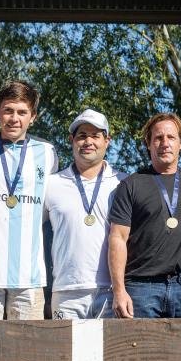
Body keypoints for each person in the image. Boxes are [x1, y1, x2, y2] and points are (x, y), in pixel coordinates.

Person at [0, 81, 58, 320]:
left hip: (30, 276)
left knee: (28, 353)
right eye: (8, 110)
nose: (14, 118)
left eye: (22, 112)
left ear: (33, 117)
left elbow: (51, 207)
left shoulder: (47, 153)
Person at [109, 113, 181, 319]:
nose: (165, 143)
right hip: (141, 287)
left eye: (171, 137)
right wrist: (119, 290)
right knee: (140, 351)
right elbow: (117, 238)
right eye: (158, 138)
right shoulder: (131, 185)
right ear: (149, 144)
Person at [44, 109, 126, 319]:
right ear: (72, 140)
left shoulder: (124, 182)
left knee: (112, 353)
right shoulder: (51, 183)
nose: (88, 141)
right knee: (65, 353)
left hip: (111, 290)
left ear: (107, 141)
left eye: (96, 136)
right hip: (66, 291)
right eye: (82, 136)